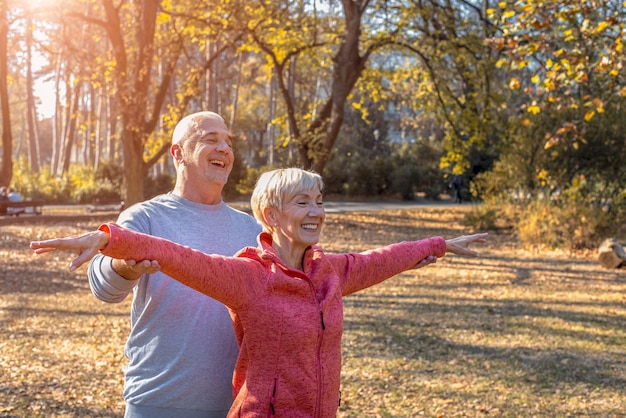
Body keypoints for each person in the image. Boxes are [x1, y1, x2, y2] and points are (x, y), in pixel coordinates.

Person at [31, 168, 487, 417]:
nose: (317, 211)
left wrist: (438, 245)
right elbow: (176, 256)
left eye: (320, 200)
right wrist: (111, 239)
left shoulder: (331, 272)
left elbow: (381, 258)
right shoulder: (249, 276)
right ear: (271, 213)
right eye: (302, 202)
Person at [86, 111, 263, 417]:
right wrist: (127, 267)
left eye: (228, 142)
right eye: (211, 139)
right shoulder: (145, 217)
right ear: (178, 153)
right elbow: (103, 287)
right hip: (158, 401)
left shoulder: (251, 230)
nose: (224, 148)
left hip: (237, 405)